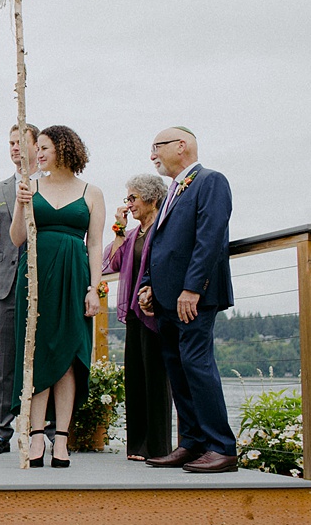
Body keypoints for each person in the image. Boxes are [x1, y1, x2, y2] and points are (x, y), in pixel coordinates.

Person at [139, 127, 238, 473]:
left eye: (157, 146)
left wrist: (193, 288)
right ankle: (192, 443)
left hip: (193, 296)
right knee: (177, 369)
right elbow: (159, 243)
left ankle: (221, 447)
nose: (152, 154)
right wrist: (148, 285)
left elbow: (210, 237)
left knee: (196, 364)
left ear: (181, 146)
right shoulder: (172, 191)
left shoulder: (211, 181)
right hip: (167, 298)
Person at [9, 125, 105, 469]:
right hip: (35, 276)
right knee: (35, 353)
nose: (38, 154)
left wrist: (94, 288)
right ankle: (36, 435)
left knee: (68, 357)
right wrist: (20, 204)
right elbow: (17, 238)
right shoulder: (31, 187)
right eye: (38, 148)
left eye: (44, 148)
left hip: (74, 277)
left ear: (64, 150)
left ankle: (60, 438)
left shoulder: (92, 192)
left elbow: (95, 244)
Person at [0, 123, 42, 455]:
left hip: (43, 280)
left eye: (20, 142)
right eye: (11, 142)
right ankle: (0, 431)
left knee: (43, 356)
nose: (14, 147)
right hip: (6, 283)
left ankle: (44, 430)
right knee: (4, 361)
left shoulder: (50, 185)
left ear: (38, 146)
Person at [102, 174, 171, 462]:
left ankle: (157, 447)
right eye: (127, 199)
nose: (129, 204)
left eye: (133, 198)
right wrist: (119, 229)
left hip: (155, 311)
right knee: (135, 378)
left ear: (152, 199)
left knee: (156, 379)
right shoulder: (132, 235)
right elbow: (110, 263)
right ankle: (137, 446)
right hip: (134, 312)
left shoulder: (163, 229)